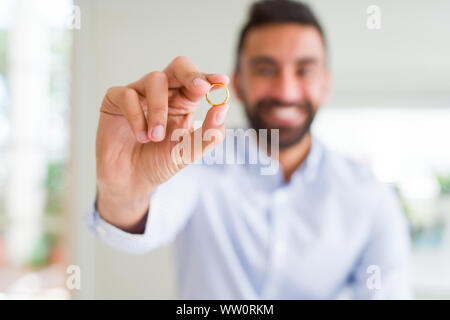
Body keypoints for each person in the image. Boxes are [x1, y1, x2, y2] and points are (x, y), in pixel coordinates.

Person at [86, 0, 412, 299]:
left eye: (304, 70)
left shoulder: (369, 195)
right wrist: (122, 189)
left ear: (325, 84)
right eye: (265, 69)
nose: (285, 90)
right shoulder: (193, 158)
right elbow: (137, 226)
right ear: (238, 84)